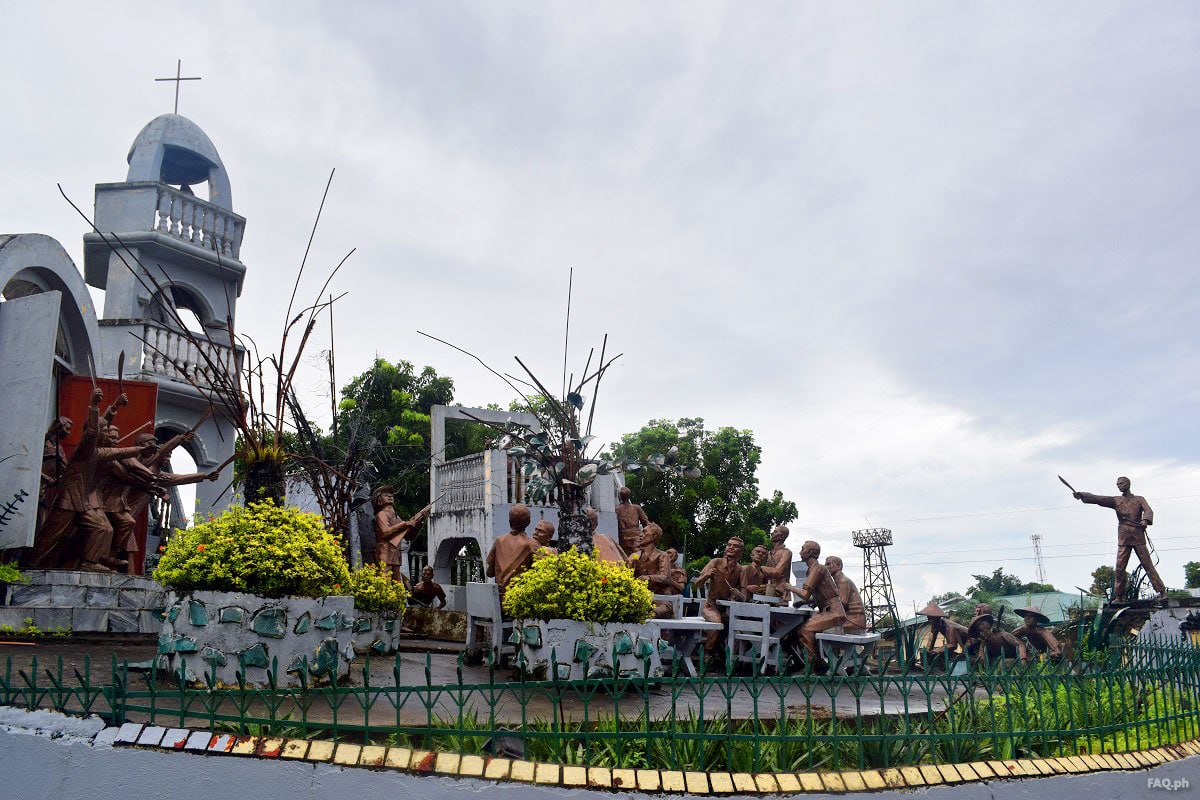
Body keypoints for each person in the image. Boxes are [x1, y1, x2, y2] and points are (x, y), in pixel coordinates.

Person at [27, 390, 152, 571]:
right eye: (104, 431)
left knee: (103, 528)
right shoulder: (86, 448)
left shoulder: (100, 452)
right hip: (69, 500)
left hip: (85, 502)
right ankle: (30, 565)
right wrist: (94, 405)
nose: (107, 433)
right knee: (51, 536)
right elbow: (93, 429)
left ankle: (89, 563)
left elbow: (120, 451)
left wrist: (115, 407)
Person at [1073, 477, 1166, 601]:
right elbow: (1098, 499)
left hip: (1138, 535)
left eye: (1121, 483)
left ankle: (1162, 592)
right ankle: (1119, 596)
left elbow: (1148, 511)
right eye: (1118, 484)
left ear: (1128, 484)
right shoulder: (1116, 500)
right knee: (1119, 568)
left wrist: (1145, 520)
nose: (1119, 486)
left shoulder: (1139, 499)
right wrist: (1082, 495)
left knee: (1147, 565)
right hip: (1123, 538)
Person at [793, 540, 847, 673]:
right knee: (796, 629)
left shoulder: (818, 569)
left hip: (834, 612)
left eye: (803, 548)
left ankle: (814, 666)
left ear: (810, 552)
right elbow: (819, 595)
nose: (800, 551)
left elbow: (805, 594)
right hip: (826, 611)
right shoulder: (812, 570)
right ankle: (813, 662)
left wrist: (789, 587)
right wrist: (803, 603)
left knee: (805, 630)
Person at [692, 537, 745, 658]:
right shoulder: (716, 562)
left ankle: (719, 654)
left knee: (737, 627)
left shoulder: (740, 570)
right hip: (711, 606)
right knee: (717, 623)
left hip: (728, 609)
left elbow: (744, 597)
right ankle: (707, 653)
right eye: (729, 545)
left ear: (741, 551)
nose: (731, 547)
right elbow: (696, 584)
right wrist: (707, 575)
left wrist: (737, 593)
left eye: (735, 546)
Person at [373, 486, 430, 587]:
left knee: (397, 586)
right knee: (384, 584)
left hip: (395, 556)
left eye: (391, 495)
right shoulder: (381, 514)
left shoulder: (396, 516)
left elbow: (408, 537)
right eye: (385, 494)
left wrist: (418, 523)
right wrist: (405, 524)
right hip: (385, 555)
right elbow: (386, 532)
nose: (390, 496)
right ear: (379, 499)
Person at [485, 503, 541, 600]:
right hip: (520, 600)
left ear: (510, 521)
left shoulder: (499, 541)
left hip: (499, 599)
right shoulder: (533, 545)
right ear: (529, 522)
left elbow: (489, 573)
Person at [631, 523, 679, 618]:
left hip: (660, 601)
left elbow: (666, 578)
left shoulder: (662, 556)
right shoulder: (635, 556)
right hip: (640, 600)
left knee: (648, 614)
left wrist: (648, 578)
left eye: (644, 532)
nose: (640, 535)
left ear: (654, 536)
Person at [826, 555, 867, 633]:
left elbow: (842, 604)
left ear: (838, 566)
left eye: (828, 564)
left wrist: (825, 607)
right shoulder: (837, 582)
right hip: (851, 619)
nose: (826, 567)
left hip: (854, 621)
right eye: (825, 565)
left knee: (820, 628)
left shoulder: (843, 581)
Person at [760, 525, 793, 597]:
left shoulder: (786, 552)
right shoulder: (769, 553)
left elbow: (778, 571)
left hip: (781, 593)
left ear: (781, 536)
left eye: (775, 532)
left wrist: (758, 568)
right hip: (767, 592)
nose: (772, 533)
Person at [615, 486, 650, 553]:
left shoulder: (617, 510)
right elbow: (646, 522)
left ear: (620, 497)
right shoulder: (637, 508)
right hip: (636, 538)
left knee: (627, 559)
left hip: (623, 539)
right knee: (638, 557)